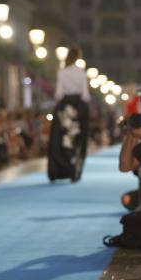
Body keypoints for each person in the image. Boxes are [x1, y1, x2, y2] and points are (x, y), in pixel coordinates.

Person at [48, 47, 90, 182]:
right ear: (78, 57)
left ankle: (59, 170)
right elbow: (85, 95)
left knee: (60, 138)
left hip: (64, 107)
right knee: (79, 137)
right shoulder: (81, 73)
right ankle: (75, 169)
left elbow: (58, 93)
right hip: (79, 107)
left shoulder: (62, 72)